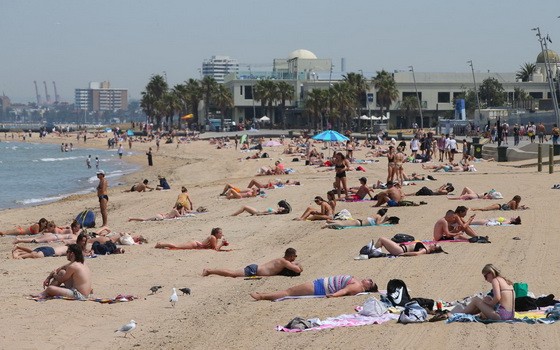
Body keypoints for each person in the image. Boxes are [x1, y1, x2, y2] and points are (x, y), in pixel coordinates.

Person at [448, 264, 515, 320]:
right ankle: (462, 313)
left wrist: (488, 303)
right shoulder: (506, 282)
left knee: (476, 300)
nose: (486, 279)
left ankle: (457, 315)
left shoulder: (495, 280)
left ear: (491, 273)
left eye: (485, 276)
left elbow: (497, 297)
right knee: (482, 306)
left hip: (501, 317)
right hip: (510, 316)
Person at [250, 275, 378, 301]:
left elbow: (344, 291)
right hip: (320, 284)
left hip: (319, 288)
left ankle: (262, 296)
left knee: (289, 292)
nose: (369, 279)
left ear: (367, 288)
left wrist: (334, 295)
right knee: (290, 290)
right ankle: (265, 294)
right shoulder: (358, 283)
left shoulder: (357, 287)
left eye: (370, 282)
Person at [203, 248, 302, 278]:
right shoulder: (284, 262)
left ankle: (210, 271)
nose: (295, 258)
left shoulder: (282, 260)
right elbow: (298, 269)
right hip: (253, 270)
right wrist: (296, 264)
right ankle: (209, 271)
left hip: (255, 269)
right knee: (232, 273)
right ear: (291, 255)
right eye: (295, 256)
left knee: (232, 273)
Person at [155, 227, 229, 251]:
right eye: (220, 233)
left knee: (177, 247)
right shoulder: (213, 237)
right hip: (195, 245)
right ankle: (160, 244)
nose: (222, 234)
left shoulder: (214, 238)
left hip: (196, 245)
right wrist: (222, 244)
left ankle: (161, 245)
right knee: (177, 246)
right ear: (216, 234)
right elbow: (215, 249)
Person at [367, 237, 446, 257]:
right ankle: (375, 252)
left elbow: (416, 254)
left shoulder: (425, 250)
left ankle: (373, 252)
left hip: (400, 250)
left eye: (435, 245)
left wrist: (404, 254)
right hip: (400, 247)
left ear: (434, 249)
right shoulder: (426, 246)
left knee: (382, 239)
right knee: (383, 240)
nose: (434, 244)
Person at [322, 208, 396, 228]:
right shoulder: (379, 217)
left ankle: (330, 222)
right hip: (359, 224)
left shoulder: (375, 214)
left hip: (359, 221)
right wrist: (385, 220)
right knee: (344, 225)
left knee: (344, 223)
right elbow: (377, 224)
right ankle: (329, 224)